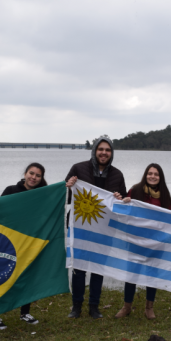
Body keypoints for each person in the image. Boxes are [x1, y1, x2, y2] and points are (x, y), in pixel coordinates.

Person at [65, 136, 127, 319]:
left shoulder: (117, 174)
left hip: (104, 227)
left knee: (98, 267)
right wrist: (69, 187)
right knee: (79, 267)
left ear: (111, 153)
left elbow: (122, 202)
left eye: (107, 150)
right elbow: (67, 196)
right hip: (80, 225)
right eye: (101, 149)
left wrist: (119, 197)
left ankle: (94, 306)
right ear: (94, 150)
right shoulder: (78, 168)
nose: (104, 153)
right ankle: (76, 306)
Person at [0, 163, 48, 330]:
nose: (33, 177)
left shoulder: (42, 195)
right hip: (9, 241)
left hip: (29, 241)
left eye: (38, 175)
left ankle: (24, 312)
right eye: (31, 173)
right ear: (25, 173)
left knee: (27, 276)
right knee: (2, 276)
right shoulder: (11, 190)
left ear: (41, 178)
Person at [115, 163, 171, 320]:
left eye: (156, 174)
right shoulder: (135, 190)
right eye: (150, 173)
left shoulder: (165, 194)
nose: (152, 176)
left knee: (152, 273)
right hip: (136, 239)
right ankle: (127, 306)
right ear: (145, 175)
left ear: (160, 177)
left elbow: (168, 217)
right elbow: (125, 213)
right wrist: (124, 203)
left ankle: (149, 307)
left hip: (155, 241)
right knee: (131, 273)